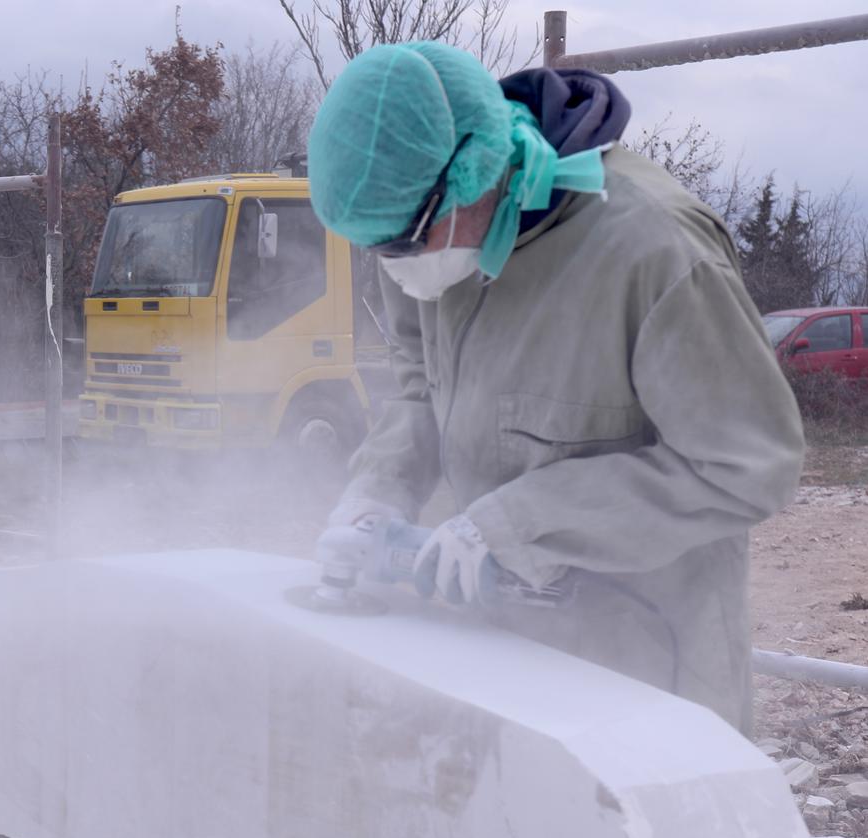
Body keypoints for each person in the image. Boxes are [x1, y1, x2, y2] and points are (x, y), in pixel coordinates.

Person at [305, 42, 805, 732]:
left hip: (646, 669)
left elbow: (750, 467)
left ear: (473, 172)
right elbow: (422, 387)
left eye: (401, 242)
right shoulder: (431, 241)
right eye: (374, 246)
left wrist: (518, 524)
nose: (394, 265)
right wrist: (377, 491)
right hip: (505, 650)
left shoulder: (656, 252)